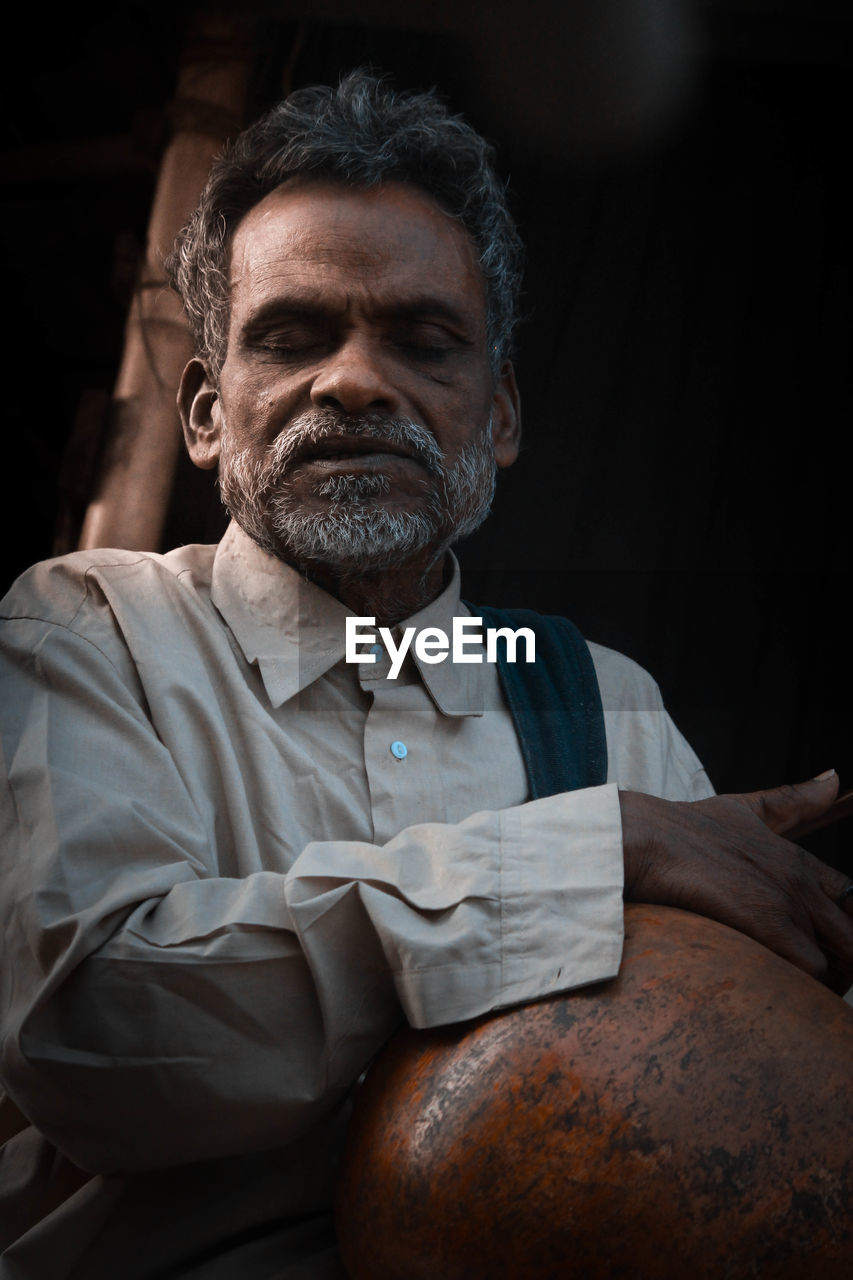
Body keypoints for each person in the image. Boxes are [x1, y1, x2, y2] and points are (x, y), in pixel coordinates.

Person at [1, 69, 851, 1280]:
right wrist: (593, 858)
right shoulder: (87, 630)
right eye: (293, 336)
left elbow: (747, 1063)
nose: (354, 379)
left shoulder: (602, 702)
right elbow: (97, 1028)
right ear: (204, 411)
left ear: (496, 416)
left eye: (423, 338)